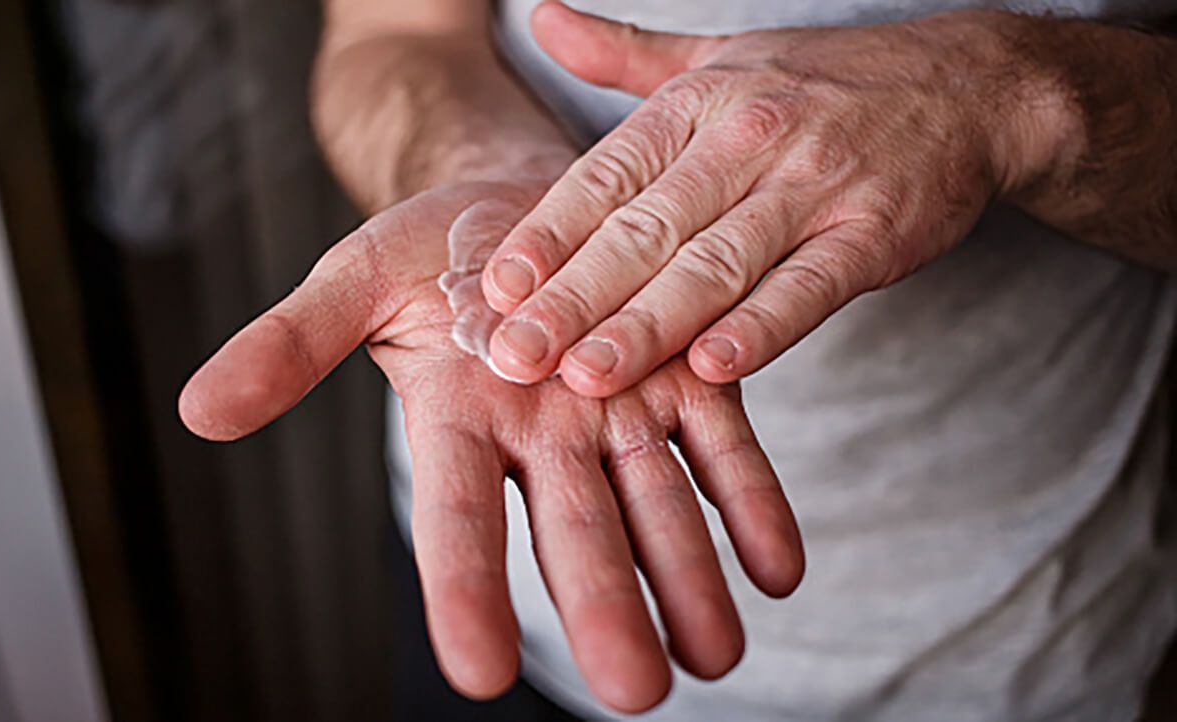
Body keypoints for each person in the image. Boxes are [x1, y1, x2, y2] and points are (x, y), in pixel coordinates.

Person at [179, 0, 1177, 719]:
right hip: (509, 563)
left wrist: (1029, 99)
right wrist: (482, 172)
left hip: (1041, 642)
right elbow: (395, 33)